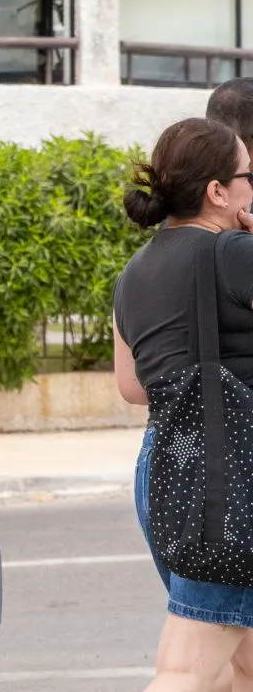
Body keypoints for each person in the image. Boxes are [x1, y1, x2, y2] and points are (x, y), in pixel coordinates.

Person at [114, 116, 253, 692]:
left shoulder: (132, 275)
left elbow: (133, 386)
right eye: (249, 175)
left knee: (238, 667)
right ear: (218, 191)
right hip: (229, 476)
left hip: (170, 467)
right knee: (186, 671)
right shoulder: (233, 254)